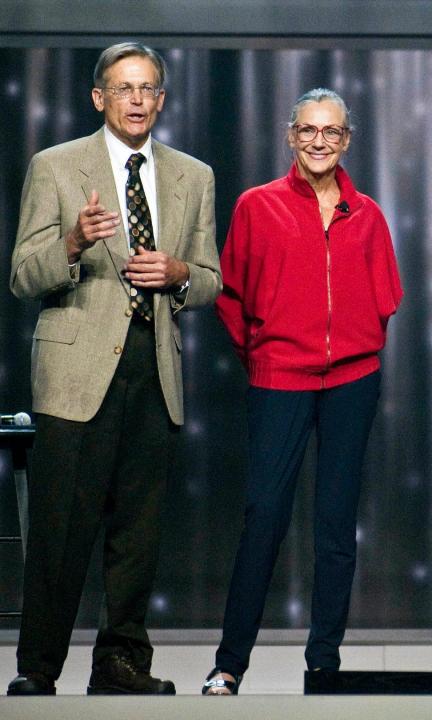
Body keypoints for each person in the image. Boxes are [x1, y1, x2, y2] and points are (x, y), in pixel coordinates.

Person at [6, 43, 221, 696]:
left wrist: (179, 273)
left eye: (149, 88)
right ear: (99, 97)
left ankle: (122, 664)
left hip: (152, 367)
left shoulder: (194, 175)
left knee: (138, 534)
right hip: (75, 374)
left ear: (161, 99)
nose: (136, 100)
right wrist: (70, 244)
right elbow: (21, 274)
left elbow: (211, 278)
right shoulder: (57, 166)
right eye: (124, 88)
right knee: (59, 531)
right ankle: (38, 670)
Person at [203, 88, 402, 695]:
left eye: (332, 132)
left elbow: (386, 296)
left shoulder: (365, 213)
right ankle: (229, 663)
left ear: (346, 140)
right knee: (264, 516)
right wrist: (268, 355)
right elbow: (232, 296)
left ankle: (324, 661)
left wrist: (354, 348)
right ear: (292, 136)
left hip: (351, 381)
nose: (320, 141)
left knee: (337, 525)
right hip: (279, 377)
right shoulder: (257, 206)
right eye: (309, 130)